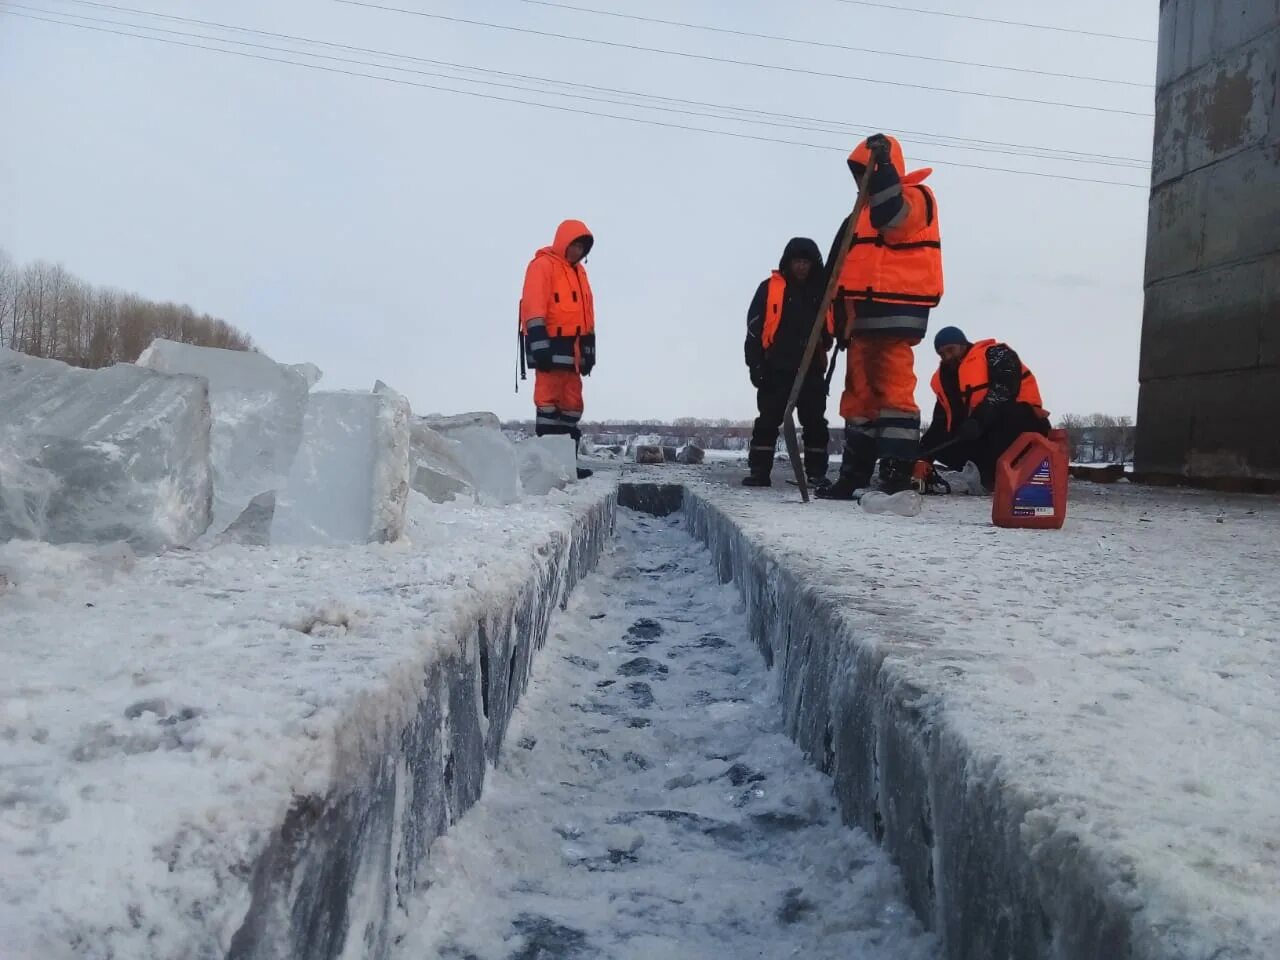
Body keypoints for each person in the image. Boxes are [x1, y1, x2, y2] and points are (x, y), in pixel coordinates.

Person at [816, 133, 944, 499]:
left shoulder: (918, 198)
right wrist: (835, 323)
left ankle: (896, 470)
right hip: (859, 322)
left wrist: (884, 167)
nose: (862, 183)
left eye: (865, 174)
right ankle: (854, 475)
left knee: (893, 394)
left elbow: (894, 218)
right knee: (857, 400)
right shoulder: (856, 218)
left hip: (895, 313)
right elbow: (836, 276)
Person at [741, 237, 832, 487]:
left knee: (815, 423)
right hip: (776, 368)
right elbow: (754, 330)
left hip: (811, 368)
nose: (802, 267)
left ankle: (816, 473)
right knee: (768, 421)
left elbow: (834, 327)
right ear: (788, 263)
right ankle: (759, 471)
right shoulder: (770, 289)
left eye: (806, 262)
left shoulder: (823, 292)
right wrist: (755, 365)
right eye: (797, 262)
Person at [919, 326, 1050, 489]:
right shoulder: (945, 381)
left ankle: (993, 474)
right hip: (980, 434)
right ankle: (985, 475)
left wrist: (977, 420)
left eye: (950, 350)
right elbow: (940, 422)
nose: (947, 357)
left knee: (1011, 414)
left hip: (1024, 425)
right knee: (943, 443)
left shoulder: (996, 354)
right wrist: (922, 456)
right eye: (942, 354)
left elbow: (1004, 390)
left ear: (963, 344)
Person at [520, 219, 596, 480]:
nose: (578, 252)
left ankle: (568, 466)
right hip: (549, 350)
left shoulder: (580, 274)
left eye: (582, 248)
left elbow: (587, 314)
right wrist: (539, 345)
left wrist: (589, 349)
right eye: (575, 245)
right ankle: (548, 470)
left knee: (572, 408)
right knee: (548, 407)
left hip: (572, 354)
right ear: (564, 242)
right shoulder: (542, 266)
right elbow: (533, 305)